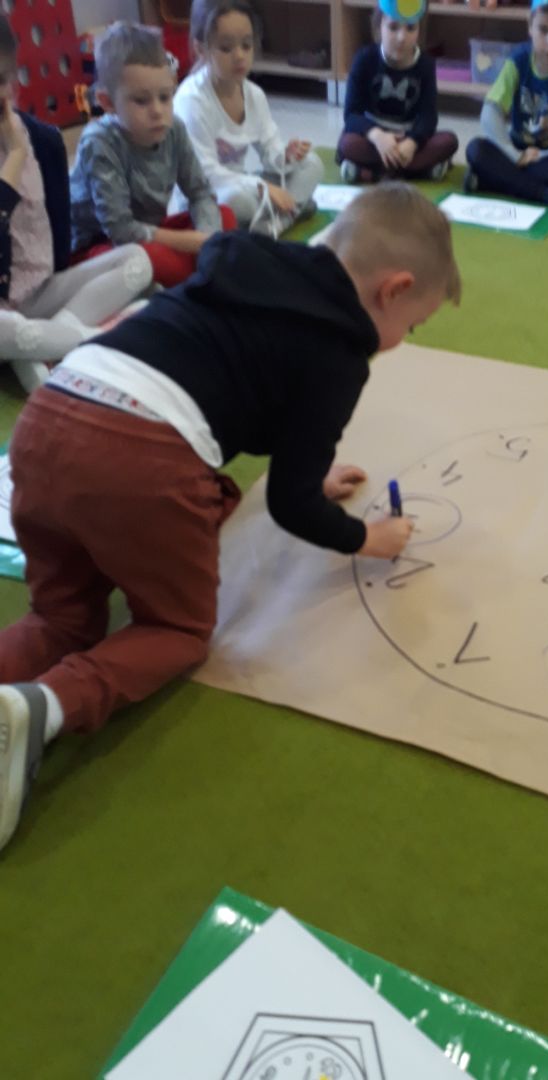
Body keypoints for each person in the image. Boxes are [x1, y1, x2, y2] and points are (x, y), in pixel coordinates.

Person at [0, 183, 461, 854]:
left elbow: (243, 372)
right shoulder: (341, 351)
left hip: (49, 417)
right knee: (177, 629)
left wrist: (307, 468)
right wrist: (367, 537)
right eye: (412, 328)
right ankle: (41, 706)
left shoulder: (249, 258)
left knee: (61, 618)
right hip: (137, 456)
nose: (401, 341)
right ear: (394, 290)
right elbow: (290, 507)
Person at [0, 15, 151, 394]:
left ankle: (47, 346)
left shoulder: (44, 141)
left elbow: (57, 234)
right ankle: (94, 340)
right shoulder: (21, 150)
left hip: (41, 294)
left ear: (14, 78)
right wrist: (13, 159)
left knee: (137, 261)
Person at [69, 21, 236, 289]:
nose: (158, 111)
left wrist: (208, 239)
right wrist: (192, 243)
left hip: (150, 233)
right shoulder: (99, 142)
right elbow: (121, 230)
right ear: (108, 102)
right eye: (141, 100)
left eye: (165, 97)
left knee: (225, 216)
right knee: (140, 263)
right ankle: (203, 272)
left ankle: (201, 270)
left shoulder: (173, 129)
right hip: (102, 247)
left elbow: (200, 193)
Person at [173, 0, 324, 236]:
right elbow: (204, 174)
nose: (239, 56)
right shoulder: (191, 101)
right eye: (226, 48)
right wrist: (261, 186)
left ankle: (274, 222)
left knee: (312, 164)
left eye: (246, 45)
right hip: (207, 195)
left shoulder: (254, 94)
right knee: (236, 201)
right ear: (201, 49)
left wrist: (286, 156)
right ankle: (292, 210)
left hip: (242, 183)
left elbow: (270, 150)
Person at [464, 0, 548, 211]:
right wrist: (514, 154)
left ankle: (492, 182)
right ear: (530, 24)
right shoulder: (519, 58)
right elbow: (490, 112)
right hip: (518, 149)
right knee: (476, 150)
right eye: (543, 30)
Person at [337, 0, 458, 184]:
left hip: (407, 138)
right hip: (373, 139)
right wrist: (378, 136)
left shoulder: (425, 65)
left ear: (419, 30)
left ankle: (370, 173)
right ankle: (419, 172)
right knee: (348, 144)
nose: (402, 38)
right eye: (393, 28)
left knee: (449, 141)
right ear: (379, 27)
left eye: (410, 28)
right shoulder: (364, 59)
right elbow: (352, 114)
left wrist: (412, 142)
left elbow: (428, 117)